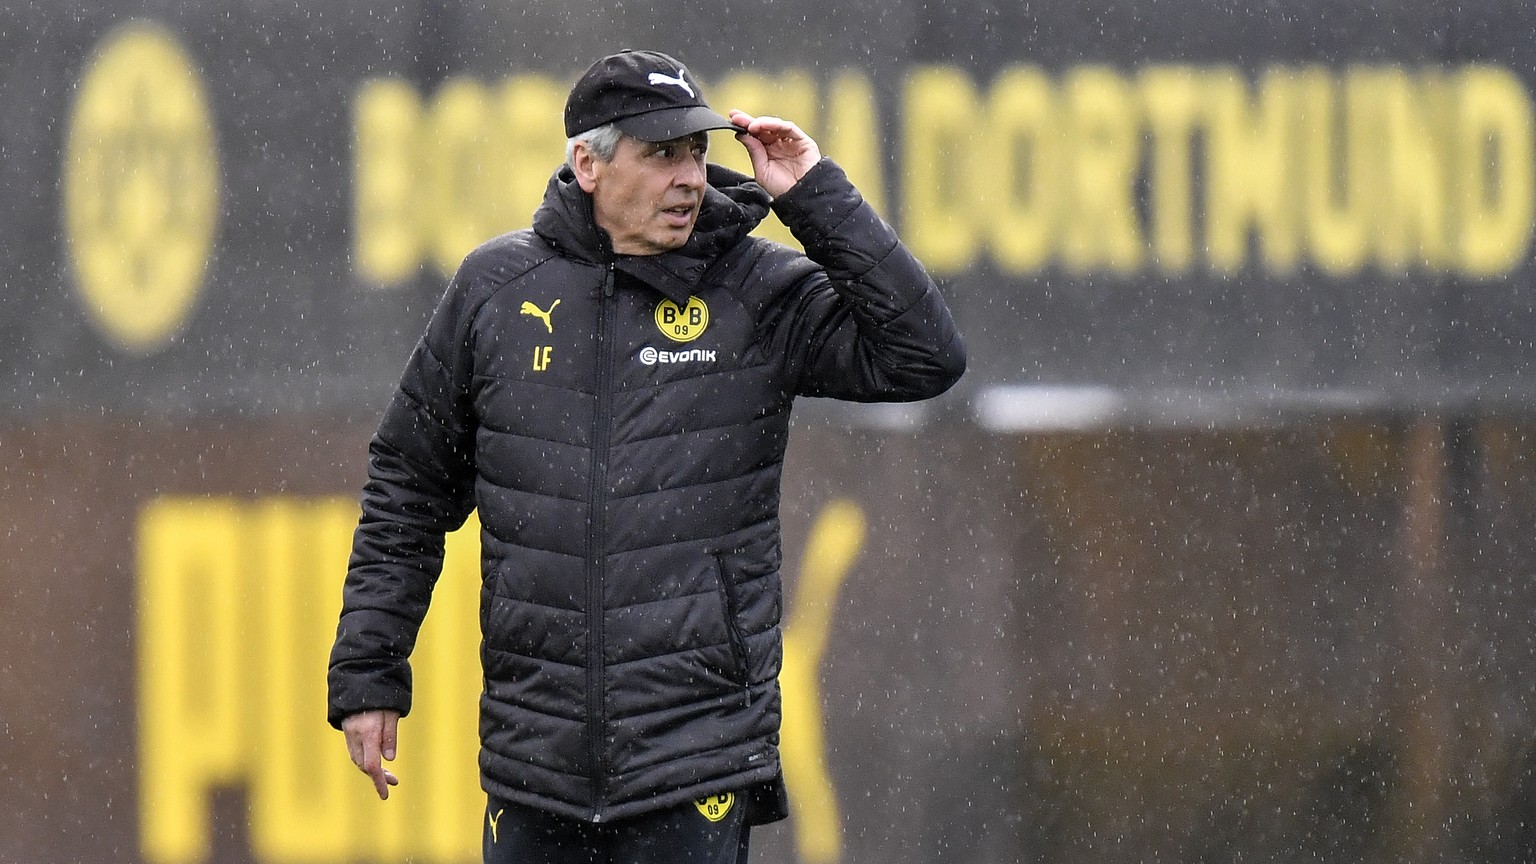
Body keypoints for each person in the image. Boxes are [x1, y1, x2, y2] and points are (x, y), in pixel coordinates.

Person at [328, 48, 965, 863]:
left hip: (692, 763)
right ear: (587, 164)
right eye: (662, 154)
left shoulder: (754, 290)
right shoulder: (496, 291)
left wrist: (814, 194)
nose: (690, 177)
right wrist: (371, 671)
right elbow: (409, 488)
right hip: (535, 767)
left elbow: (924, 356)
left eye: (697, 152)